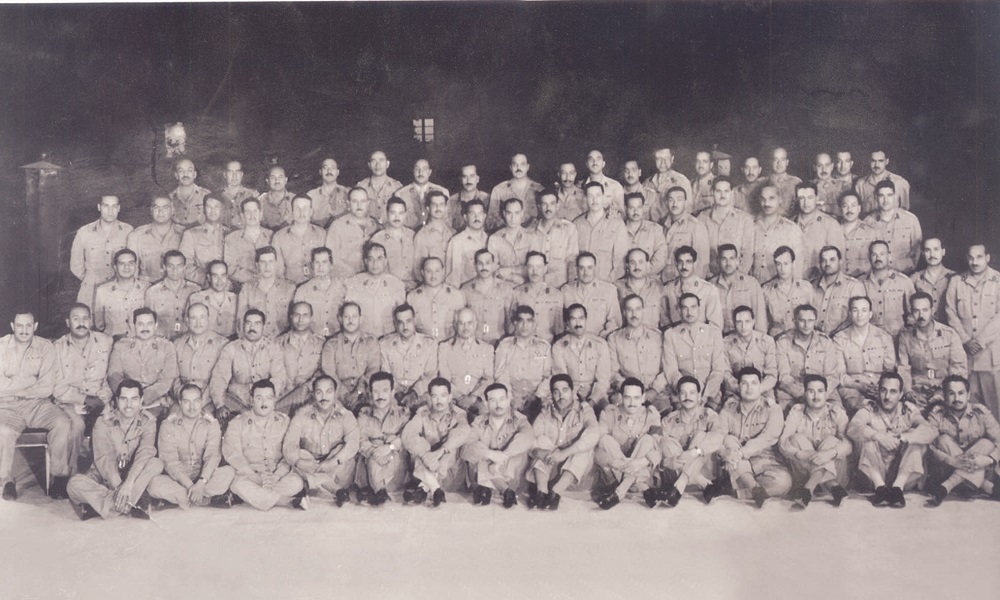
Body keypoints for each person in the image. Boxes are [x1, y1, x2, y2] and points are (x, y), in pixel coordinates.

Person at [0, 310, 70, 500]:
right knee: (3, 431)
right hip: (6, 407)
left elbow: (46, 388)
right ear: (12, 326)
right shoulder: (1, 346)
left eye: (28, 325)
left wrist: (14, 386)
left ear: (35, 326)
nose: (24, 330)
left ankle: (58, 477)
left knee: (62, 422)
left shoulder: (46, 347)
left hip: (38, 404)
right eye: (19, 326)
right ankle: (6, 481)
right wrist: (31, 381)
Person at [67, 379, 162, 519]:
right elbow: (105, 459)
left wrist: (128, 484)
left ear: (141, 401)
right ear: (117, 401)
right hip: (105, 477)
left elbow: (145, 452)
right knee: (73, 484)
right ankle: (129, 503)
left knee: (156, 463)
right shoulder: (103, 422)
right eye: (124, 399)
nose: (129, 405)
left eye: (134, 399)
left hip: (132, 475)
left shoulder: (149, 422)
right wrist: (119, 488)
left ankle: (103, 506)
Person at [847, 371, 937, 507]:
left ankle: (897, 489)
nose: (887, 397)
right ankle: (880, 489)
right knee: (868, 438)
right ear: (878, 392)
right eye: (883, 390)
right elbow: (853, 427)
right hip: (874, 476)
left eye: (893, 391)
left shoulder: (908, 410)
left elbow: (930, 430)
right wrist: (877, 435)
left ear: (900, 394)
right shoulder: (869, 409)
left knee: (916, 438)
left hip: (903, 475)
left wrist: (904, 437)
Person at [706, 367, 792, 508]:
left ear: (760, 386)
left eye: (754, 383)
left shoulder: (773, 409)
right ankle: (754, 489)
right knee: (729, 440)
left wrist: (741, 453)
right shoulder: (729, 408)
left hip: (763, 459)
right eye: (744, 383)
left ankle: (735, 492)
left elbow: (768, 437)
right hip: (735, 461)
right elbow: (719, 435)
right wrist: (725, 452)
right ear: (738, 386)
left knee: (783, 482)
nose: (749, 388)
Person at [146, 384, 235, 509]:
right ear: (180, 403)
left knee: (228, 472)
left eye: (196, 401)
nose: (192, 407)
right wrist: (190, 486)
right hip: (178, 479)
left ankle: (181, 499)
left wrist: (201, 482)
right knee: (153, 484)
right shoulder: (168, 425)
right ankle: (205, 499)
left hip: (203, 478)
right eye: (187, 402)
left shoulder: (211, 423)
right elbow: (169, 462)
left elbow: (213, 456)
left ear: (201, 402)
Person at [222, 380, 305, 511]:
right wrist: (255, 477)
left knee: (297, 482)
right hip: (251, 475)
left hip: (277, 476)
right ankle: (287, 501)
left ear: (274, 400)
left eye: (268, 398)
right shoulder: (237, 423)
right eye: (259, 398)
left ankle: (256, 497)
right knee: (237, 485)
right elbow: (234, 456)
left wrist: (276, 476)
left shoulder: (285, 422)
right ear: (252, 400)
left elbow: (289, 452)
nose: (264, 403)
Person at [282, 376, 359, 508]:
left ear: (335, 393)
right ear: (313, 394)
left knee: (344, 452)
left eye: (329, 392)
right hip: (309, 465)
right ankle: (337, 491)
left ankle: (314, 486)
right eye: (319, 392)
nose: (324, 397)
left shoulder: (346, 415)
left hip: (335, 467)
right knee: (300, 454)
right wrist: (300, 462)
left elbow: (353, 443)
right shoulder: (301, 415)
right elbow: (289, 445)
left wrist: (333, 461)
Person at [54, 304, 112, 475]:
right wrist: (85, 399)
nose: (81, 323)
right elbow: (57, 387)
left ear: (91, 320)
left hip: (100, 399)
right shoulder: (58, 348)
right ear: (68, 322)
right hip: (70, 401)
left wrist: (103, 398)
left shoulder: (106, 342)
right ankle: (67, 474)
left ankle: (101, 475)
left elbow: (111, 375)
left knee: (108, 424)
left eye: (85, 318)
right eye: (76, 318)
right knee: (75, 426)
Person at [925, 375, 1000, 506]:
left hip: (978, 465)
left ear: (968, 395)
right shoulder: (937, 414)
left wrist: (988, 459)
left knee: (986, 443)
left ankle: (946, 487)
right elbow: (926, 445)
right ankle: (983, 485)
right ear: (944, 396)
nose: (957, 398)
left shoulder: (981, 413)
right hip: (948, 468)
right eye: (951, 393)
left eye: (961, 393)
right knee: (943, 440)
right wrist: (950, 460)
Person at [527, 374, 599, 510]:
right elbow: (531, 437)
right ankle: (542, 492)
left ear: (573, 391)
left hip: (574, 469)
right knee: (541, 440)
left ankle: (556, 493)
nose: (561, 396)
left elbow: (594, 433)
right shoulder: (546, 412)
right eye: (556, 392)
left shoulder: (584, 410)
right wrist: (539, 451)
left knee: (585, 447)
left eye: (565, 390)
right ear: (552, 394)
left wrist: (564, 453)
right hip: (550, 463)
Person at [945, 243, 1000, 419]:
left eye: (979, 257)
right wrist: (965, 340)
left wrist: (980, 341)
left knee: (995, 407)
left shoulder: (998, 280)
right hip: (965, 356)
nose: (974, 262)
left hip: (991, 357)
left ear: (988, 258)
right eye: (971, 257)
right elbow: (950, 312)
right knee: (968, 407)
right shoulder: (956, 281)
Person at [779, 375, 851, 509]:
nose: (816, 396)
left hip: (837, 474)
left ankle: (808, 489)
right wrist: (800, 454)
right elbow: (783, 443)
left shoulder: (837, 413)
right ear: (805, 394)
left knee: (831, 441)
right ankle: (832, 486)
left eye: (820, 391)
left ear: (826, 393)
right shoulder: (797, 411)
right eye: (811, 391)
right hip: (804, 475)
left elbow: (848, 444)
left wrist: (831, 453)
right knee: (796, 438)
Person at [650, 377, 723, 507]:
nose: (687, 397)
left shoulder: (709, 415)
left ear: (699, 396)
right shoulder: (668, 420)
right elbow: (656, 449)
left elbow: (718, 437)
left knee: (701, 435)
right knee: (665, 441)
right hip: (676, 473)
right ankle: (701, 482)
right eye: (683, 393)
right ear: (678, 396)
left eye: (692, 393)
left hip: (705, 470)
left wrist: (695, 452)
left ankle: (680, 485)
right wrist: (665, 462)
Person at [400, 378, 472, 507]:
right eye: (435, 396)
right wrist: (425, 455)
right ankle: (435, 490)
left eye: (443, 396)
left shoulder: (458, 414)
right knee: (420, 444)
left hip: (449, 476)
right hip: (427, 466)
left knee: (451, 445)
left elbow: (464, 431)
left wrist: (440, 451)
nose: (439, 401)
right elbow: (408, 434)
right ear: (429, 397)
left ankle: (425, 487)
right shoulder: (422, 413)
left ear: (450, 397)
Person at [593, 378, 662, 509]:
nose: (632, 403)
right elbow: (599, 445)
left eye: (636, 398)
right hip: (616, 471)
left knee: (648, 440)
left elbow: (658, 447)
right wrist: (621, 463)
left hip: (643, 469)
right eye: (627, 398)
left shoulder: (651, 414)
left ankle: (621, 491)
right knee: (605, 440)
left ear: (643, 398)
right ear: (621, 397)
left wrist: (641, 462)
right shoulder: (609, 413)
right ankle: (642, 487)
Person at [463, 383, 534, 508]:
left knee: (518, 448)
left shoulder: (519, 420)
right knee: (478, 451)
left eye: (502, 399)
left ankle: (500, 488)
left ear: (508, 400)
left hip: (511, 479)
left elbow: (528, 438)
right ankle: (505, 491)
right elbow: (467, 447)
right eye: (493, 400)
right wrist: (491, 455)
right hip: (482, 482)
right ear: (486, 404)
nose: (498, 404)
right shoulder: (479, 422)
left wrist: (502, 456)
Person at [208, 309, 288, 419]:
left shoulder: (273, 348)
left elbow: (279, 378)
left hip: (264, 401)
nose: (252, 327)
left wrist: (266, 400)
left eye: (257, 323)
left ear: (264, 327)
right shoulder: (231, 348)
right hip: (237, 403)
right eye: (248, 323)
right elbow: (219, 378)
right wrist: (220, 405)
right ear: (243, 325)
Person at [898, 292, 968, 409]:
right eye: (916, 311)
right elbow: (903, 369)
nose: (921, 315)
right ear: (911, 312)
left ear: (932, 310)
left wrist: (944, 393)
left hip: (945, 391)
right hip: (917, 392)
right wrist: (908, 392)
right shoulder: (905, 337)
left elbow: (959, 368)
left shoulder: (949, 334)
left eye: (925, 310)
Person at [661, 293, 729, 411]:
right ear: (679, 310)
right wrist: (687, 393)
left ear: (699, 308)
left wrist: (705, 395)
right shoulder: (671, 335)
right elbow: (671, 371)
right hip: (681, 397)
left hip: (711, 396)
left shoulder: (713, 333)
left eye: (693, 307)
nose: (689, 312)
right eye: (685, 308)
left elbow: (718, 369)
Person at [107, 308, 178, 414]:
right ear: (133, 326)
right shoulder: (121, 347)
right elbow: (114, 376)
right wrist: (129, 398)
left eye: (149, 324)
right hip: (126, 401)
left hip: (155, 401)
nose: (145, 328)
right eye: (140, 324)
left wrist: (143, 398)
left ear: (156, 326)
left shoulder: (167, 347)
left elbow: (166, 380)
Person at [833, 296, 897, 413]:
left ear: (870, 314)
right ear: (850, 314)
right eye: (855, 310)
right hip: (852, 388)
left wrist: (880, 387)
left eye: (864, 310)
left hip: (880, 387)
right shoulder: (839, 339)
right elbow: (840, 375)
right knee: (861, 409)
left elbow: (889, 370)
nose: (860, 315)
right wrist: (859, 386)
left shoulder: (884, 337)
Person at [355, 372, 411, 505]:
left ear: (392, 392)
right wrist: (374, 452)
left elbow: (407, 437)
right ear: (370, 393)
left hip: (395, 465)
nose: (380, 396)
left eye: (385, 391)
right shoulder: (364, 414)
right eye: (376, 391)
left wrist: (389, 447)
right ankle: (380, 492)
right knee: (372, 459)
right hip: (371, 465)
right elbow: (359, 439)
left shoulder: (403, 413)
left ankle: (379, 491)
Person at [775, 304, 845, 409]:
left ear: (815, 321)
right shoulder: (783, 342)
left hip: (823, 391)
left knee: (838, 413)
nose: (806, 325)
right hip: (792, 392)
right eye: (802, 320)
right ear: (795, 321)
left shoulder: (826, 342)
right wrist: (804, 395)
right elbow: (784, 377)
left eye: (810, 320)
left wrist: (820, 395)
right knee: (786, 413)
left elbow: (832, 376)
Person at [607, 295, 669, 413]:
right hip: (626, 396)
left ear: (643, 311)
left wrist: (655, 390)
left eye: (638, 309)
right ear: (624, 312)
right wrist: (629, 390)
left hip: (656, 396)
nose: (634, 314)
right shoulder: (614, 338)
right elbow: (612, 372)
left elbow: (667, 368)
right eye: (629, 310)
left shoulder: (658, 336)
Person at [70, 195, 133, 306]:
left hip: (119, 292)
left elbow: (133, 261)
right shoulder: (84, 232)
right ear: (99, 207)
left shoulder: (128, 231)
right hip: (91, 293)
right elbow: (76, 266)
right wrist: (90, 279)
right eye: (106, 206)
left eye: (114, 206)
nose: (110, 211)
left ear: (119, 208)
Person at [320, 302, 381, 413]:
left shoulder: (371, 342)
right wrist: (345, 396)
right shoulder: (331, 345)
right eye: (346, 316)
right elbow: (330, 374)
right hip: (337, 395)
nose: (350, 320)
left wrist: (358, 392)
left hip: (365, 393)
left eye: (354, 316)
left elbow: (373, 370)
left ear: (360, 319)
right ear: (340, 319)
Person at [552, 304, 612, 411]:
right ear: (567, 323)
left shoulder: (600, 344)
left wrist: (591, 401)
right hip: (570, 396)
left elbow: (603, 380)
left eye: (581, 318)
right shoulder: (559, 346)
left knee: (609, 412)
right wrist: (575, 403)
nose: (578, 323)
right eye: (573, 319)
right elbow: (562, 381)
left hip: (596, 396)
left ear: (586, 320)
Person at [379, 304, 438, 412]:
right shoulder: (385, 345)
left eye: (408, 321)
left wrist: (414, 393)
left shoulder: (429, 344)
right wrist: (397, 392)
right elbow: (385, 375)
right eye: (400, 322)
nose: (405, 326)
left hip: (421, 395)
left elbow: (430, 375)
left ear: (414, 320)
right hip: (394, 397)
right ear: (395, 324)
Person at [494, 306, 552, 414]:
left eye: (529, 321)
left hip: (538, 401)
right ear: (515, 323)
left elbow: (548, 376)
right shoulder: (505, 346)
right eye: (521, 321)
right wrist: (511, 400)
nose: (525, 325)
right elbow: (500, 376)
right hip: (511, 401)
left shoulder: (543, 347)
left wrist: (536, 397)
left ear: (534, 324)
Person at [437, 308, 495, 416]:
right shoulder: (445, 347)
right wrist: (459, 398)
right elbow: (445, 379)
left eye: (469, 323)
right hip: (452, 400)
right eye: (461, 323)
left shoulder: (486, 349)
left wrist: (472, 397)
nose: (465, 327)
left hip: (478, 400)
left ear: (476, 324)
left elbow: (488, 378)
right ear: (455, 325)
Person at [573, 181, 630, 283]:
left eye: (598, 195)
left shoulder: (617, 224)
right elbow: (572, 257)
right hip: (581, 284)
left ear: (603, 197)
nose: (594, 200)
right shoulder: (577, 224)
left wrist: (609, 282)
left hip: (607, 283)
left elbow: (621, 260)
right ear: (585, 198)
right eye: (590, 196)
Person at [862, 180, 922, 275]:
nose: (885, 200)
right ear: (876, 198)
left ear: (895, 196)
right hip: (878, 275)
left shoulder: (911, 220)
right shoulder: (867, 222)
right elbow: (865, 252)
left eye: (889, 195)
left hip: (907, 274)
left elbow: (917, 250)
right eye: (881, 196)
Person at [172, 302, 228, 405]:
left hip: (211, 401)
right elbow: (174, 378)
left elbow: (219, 381)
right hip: (183, 400)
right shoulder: (177, 344)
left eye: (202, 317)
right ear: (187, 320)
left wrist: (200, 402)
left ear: (208, 319)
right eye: (193, 318)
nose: (198, 323)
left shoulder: (222, 345)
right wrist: (184, 397)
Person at [699, 177, 754, 277]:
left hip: (737, 278)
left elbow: (747, 255)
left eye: (726, 191)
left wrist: (737, 278)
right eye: (718, 191)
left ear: (732, 192)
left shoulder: (745, 220)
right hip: (709, 278)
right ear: (712, 192)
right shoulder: (702, 219)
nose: (722, 195)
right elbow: (700, 253)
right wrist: (707, 277)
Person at [236, 246, 296, 338]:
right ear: (257, 265)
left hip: (282, 341)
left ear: (276, 264)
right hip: (255, 341)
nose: (267, 266)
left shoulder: (289, 288)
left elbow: (295, 321)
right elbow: (241, 322)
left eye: (271, 262)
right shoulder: (247, 289)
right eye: (263, 262)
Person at [275, 302, 324, 414]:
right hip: (282, 398)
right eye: (297, 315)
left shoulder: (321, 344)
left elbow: (322, 372)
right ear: (291, 317)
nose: (300, 320)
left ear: (311, 317)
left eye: (305, 315)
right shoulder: (278, 343)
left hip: (310, 398)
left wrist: (306, 388)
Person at [861, 240, 916, 337]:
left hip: (897, 337)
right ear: (869, 258)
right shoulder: (861, 283)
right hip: (870, 338)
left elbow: (913, 314)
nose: (878, 258)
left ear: (889, 256)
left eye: (882, 254)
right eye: (874, 255)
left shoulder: (904, 281)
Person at [723, 306, 778, 402]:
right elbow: (726, 373)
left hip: (762, 391)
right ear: (734, 323)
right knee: (729, 408)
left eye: (747, 321)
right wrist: (740, 389)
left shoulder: (767, 342)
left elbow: (771, 375)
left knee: (771, 408)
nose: (743, 326)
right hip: (736, 392)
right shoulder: (726, 343)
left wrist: (757, 390)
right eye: (739, 322)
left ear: (753, 322)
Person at [460, 249, 516, 344]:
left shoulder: (506, 289)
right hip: (474, 343)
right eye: (480, 263)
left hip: (498, 343)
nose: (484, 267)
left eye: (488, 263)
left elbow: (510, 322)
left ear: (493, 265)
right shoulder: (465, 289)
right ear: (475, 266)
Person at [93, 249, 150, 340]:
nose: (126, 267)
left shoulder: (148, 289)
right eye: (121, 263)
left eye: (131, 263)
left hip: (140, 343)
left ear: (136, 265)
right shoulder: (102, 291)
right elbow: (99, 325)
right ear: (115, 267)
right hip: (112, 343)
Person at [562, 252, 622, 337]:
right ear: (576, 269)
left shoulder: (609, 290)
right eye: (582, 268)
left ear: (595, 268)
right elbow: (561, 322)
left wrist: (600, 339)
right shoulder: (566, 290)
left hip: (600, 341)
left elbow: (615, 322)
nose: (586, 272)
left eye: (589, 268)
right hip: (573, 341)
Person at [127, 195, 185, 283]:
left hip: (176, 287)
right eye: (156, 207)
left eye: (165, 208)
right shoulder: (136, 235)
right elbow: (132, 270)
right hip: (145, 287)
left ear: (172, 210)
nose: (160, 212)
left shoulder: (184, 234)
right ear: (151, 210)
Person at [751, 185, 803, 283]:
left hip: (780, 287)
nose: (767, 203)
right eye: (763, 199)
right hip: (754, 286)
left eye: (771, 198)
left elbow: (798, 265)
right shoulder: (751, 226)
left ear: (780, 200)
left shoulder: (791, 228)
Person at [271, 196, 327, 286]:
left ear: (311, 212)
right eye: (297, 209)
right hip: (290, 287)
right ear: (292, 212)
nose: (301, 213)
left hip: (318, 286)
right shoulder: (279, 237)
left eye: (305, 209)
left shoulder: (322, 234)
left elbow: (328, 265)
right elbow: (278, 271)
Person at [325, 187, 381, 277]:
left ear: (368, 203)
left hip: (372, 277)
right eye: (355, 201)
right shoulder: (337, 226)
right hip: (346, 278)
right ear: (348, 204)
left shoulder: (375, 226)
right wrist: (350, 271)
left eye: (363, 201)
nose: (359, 205)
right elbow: (329, 256)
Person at [712, 244, 767, 335]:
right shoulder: (711, 286)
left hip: (745, 337)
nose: (728, 263)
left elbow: (760, 319)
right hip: (720, 337)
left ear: (738, 261)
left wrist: (759, 340)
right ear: (718, 261)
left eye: (732, 258)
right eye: (724, 259)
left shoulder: (751, 284)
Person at [795, 182, 846, 281]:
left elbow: (838, 261)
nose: (806, 202)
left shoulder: (830, 224)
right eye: (802, 198)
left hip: (820, 283)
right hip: (795, 283)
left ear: (817, 198)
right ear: (797, 200)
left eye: (810, 197)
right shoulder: (790, 225)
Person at [144, 250, 200, 339]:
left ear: (184, 267)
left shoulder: (195, 290)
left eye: (179, 266)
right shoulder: (152, 292)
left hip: (187, 340)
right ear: (164, 267)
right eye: (171, 266)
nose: (175, 270)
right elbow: (148, 322)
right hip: (162, 341)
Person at [663, 245, 723, 329]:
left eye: (688, 262)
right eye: (680, 262)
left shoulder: (708, 290)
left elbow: (715, 326)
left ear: (695, 263)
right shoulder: (668, 289)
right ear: (676, 264)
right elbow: (664, 322)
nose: (684, 266)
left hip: (701, 335)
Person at [293, 247, 346, 338]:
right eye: (317, 262)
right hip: (312, 339)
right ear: (312, 265)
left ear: (331, 265)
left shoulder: (342, 288)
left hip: (338, 338)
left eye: (324, 262)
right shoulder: (302, 291)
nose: (320, 267)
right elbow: (297, 321)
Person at [532, 190, 581, 288]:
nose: (548, 208)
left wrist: (570, 287)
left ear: (557, 206)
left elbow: (572, 260)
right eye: (544, 204)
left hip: (560, 285)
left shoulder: (569, 228)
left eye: (552, 204)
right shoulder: (531, 229)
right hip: (536, 285)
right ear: (539, 207)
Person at [762, 246, 815, 337]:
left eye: (786, 264)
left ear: (793, 264)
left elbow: (812, 317)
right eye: (779, 264)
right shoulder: (766, 290)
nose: (782, 268)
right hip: (776, 338)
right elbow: (763, 322)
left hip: (800, 337)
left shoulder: (806, 288)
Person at [488, 198, 542, 286]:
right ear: (504, 214)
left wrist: (510, 270)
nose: (513, 218)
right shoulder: (494, 239)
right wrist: (514, 277)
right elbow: (492, 269)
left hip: (527, 287)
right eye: (509, 213)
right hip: (502, 287)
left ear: (522, 213)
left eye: (517, 213)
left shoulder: (532, 237)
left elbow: (535, 268)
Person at [812, 245, 866, 334]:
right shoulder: (811, 287)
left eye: (832, 260)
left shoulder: (854, 286)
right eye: (824, 260)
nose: (827, 264)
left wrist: (835, 335)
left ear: (840, 262)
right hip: (814, 339)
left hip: (842, 339)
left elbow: (857, 318)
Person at [662, 186, 711, 282]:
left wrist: (694, 286)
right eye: (671, 200)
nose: (675, 204)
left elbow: (702, 262)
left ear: (685, 202)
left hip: (685, 283)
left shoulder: (696, 225)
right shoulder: (663, 226)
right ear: (666, 202)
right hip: (665, 283)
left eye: (679, 200)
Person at [369, 197, 418, 290]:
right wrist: (399, 285)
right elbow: (375, 269)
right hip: (388, 289)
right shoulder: (378, 239)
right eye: (393, 213)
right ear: (387, 214)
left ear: (405, 214)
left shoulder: (414, 236)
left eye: (401, 213)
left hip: (414, 288)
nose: (397, 217)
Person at [513, 251, 563, 340]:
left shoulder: (556, 295)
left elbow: (559, 329)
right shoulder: (517, 293)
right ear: (526, 268)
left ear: (545, 269)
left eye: (539, 267)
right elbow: (512, 325)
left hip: (547, 344)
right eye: (530, 266)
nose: (534, 271)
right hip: (524, 344)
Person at [223, 197, 274, 285]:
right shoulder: (231, 238)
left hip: (268, 284)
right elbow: (230, 268)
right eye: (248, 212)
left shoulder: (271, 236)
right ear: (242, 216)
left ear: (261, 214)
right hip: (241, 285)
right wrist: (253, 278)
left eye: (255, 211)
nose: (252, 215)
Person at [178, 195, 227, 285]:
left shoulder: (230, 234)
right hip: (202, 286)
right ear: (204, 210)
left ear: (222, 210)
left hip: (228, 286)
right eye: (209, 207)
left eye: (216, 207)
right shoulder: (191, 234)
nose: (212, 211)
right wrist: (206, 279)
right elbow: (184, 265)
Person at [616, 248, 667, 331]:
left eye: (640, 262)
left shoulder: (657, 287)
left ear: (647, 265)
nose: (637, 267)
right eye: (632, 263)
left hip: (653, 336)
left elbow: (665, 320)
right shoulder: (617, 287)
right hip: (626, 336)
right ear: (627, 265)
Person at [489, 153, 544, 228]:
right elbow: (491, 218)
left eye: (522, 164)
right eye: (515, 164)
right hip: (507, 233)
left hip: (533, 233)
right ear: (510, 167)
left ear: (527, 167)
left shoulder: (539, 189)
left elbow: (545, 217)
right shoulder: (499, 190)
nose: (518, 167)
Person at [188, 260, 238, 338]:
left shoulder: (236, 299)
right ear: (209, 277)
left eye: (223, 275)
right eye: (215, 276)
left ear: (227, 277)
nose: (219, 280)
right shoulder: (197, 298)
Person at [623, 192, 669, 278]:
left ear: (643, 208)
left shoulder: (655, 229)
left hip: (650, 280)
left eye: (639, 207)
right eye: (631, 208)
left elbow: (661, 257)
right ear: (625, 208)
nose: (636, 211)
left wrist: (640, 273)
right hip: (624, 280)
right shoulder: (619, 229)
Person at [444, 199, 489, 287]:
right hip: (466, 291)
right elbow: (453, 276)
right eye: (472, 214)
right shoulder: (457, 241)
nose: (477, 217)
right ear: (465, 217)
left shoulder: (491, 240)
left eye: (480, 213)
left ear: (484, 216)